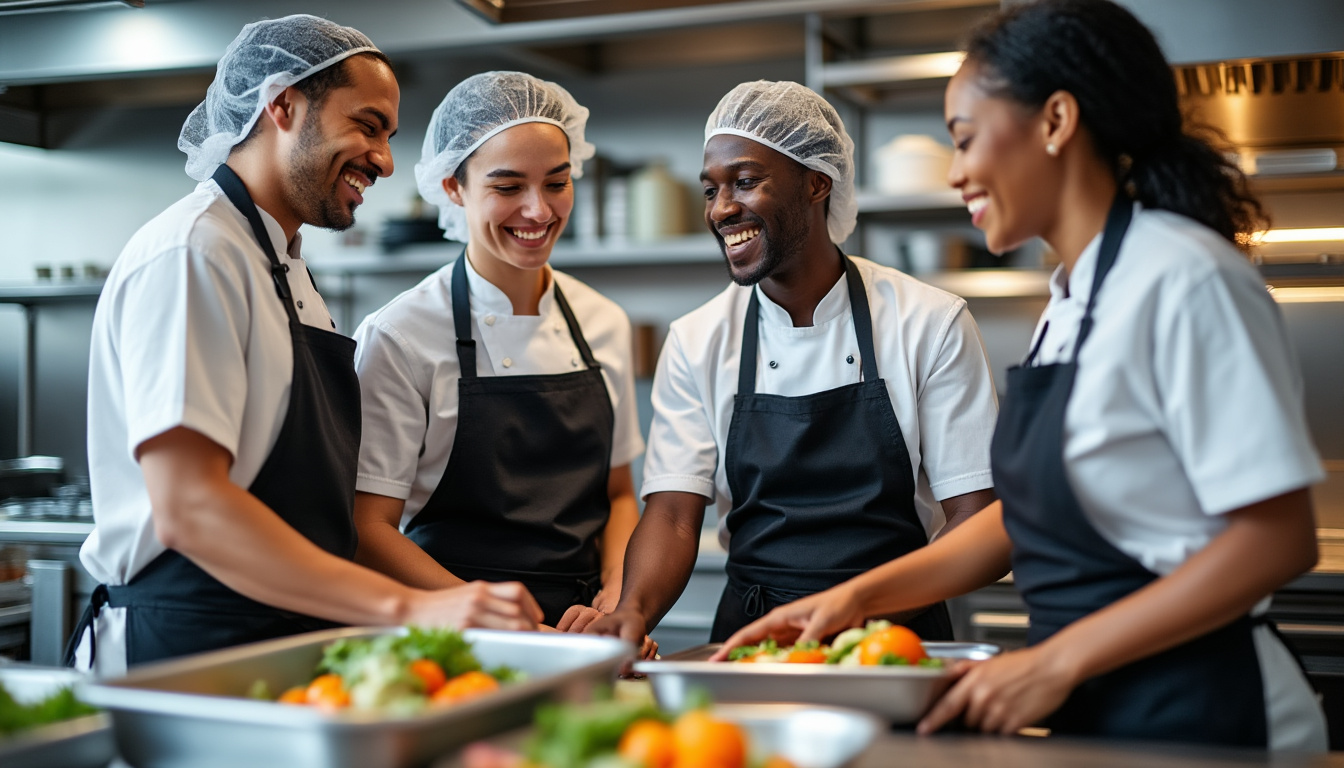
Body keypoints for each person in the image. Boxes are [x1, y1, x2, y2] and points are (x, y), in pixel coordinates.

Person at [715, 0, 1328, 751]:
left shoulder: (1183, 275)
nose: (955, 171)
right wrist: (847, 602)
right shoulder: (1071, 300)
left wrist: (1055, 660)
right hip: (1098, 702)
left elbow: (1279, 538)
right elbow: (1023, 517)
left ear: (1055, 121)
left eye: (966, 138)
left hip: (1206, 703)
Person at [71, 17, 541, 677]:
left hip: (286, 640)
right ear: (282, 103)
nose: (384, 159)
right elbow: (191, 508)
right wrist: (408, 608)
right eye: (368, 125)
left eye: (389, 136)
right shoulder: (195, 251)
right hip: (186, 648)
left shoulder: (286, 265)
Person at [585, 80, 999, 647]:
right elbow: (674, 514)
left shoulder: (930, 322)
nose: (723, 209)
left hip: (893, 638)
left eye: (746, 182)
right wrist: (633, 610)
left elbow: (978, 519)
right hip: (754, 639)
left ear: (816, 182)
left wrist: (867, 602)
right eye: (711, 190)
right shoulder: (698, 338)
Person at [350, 72, 648, 637]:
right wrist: (491, 617)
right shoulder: (401, 335)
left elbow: (618, 493)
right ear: (453, 188)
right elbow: (369, 528)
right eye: (508, 187)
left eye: (557, 182)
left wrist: (618, 593)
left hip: (584, 631)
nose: (538, 211)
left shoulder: (605, 321)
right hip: (455, 634)